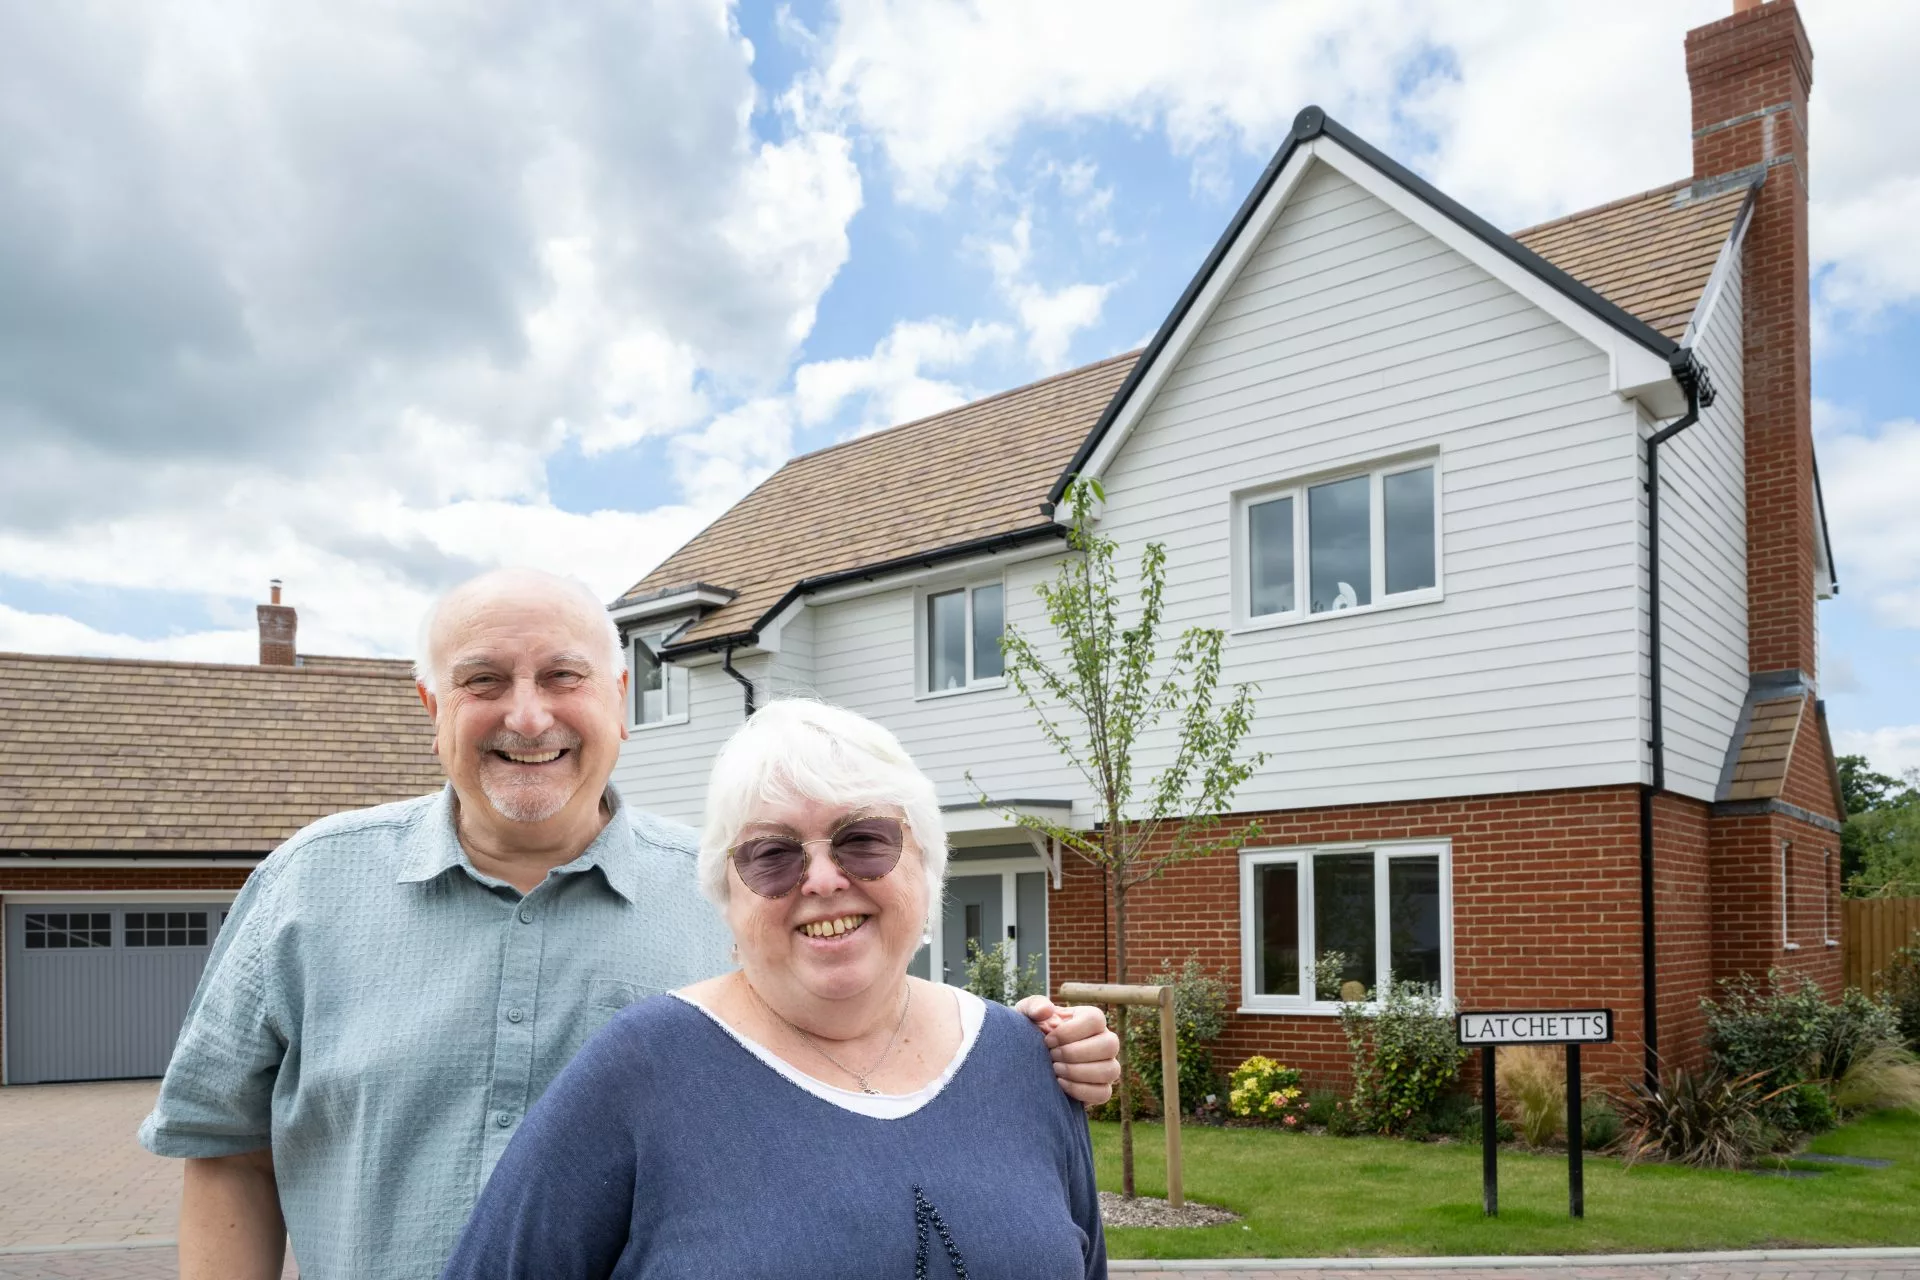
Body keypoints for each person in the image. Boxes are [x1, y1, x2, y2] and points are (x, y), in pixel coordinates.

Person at [139, 568, 1119, 1280]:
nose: (527, 716)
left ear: (618, 699)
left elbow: (858, 1028)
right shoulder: (308, 888)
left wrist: (1024, 1052)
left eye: (563, 676)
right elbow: (226, 1150)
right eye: (484, 681)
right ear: (430, 702)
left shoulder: (729, 898)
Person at [441, 698, 1105, 1279]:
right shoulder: (642, 1070)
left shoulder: (1027, 1061)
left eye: (864, 840)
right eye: (772, 854)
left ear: (925, 861)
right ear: (727, 896)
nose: (821, 880)